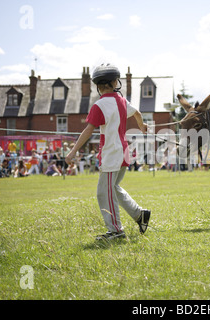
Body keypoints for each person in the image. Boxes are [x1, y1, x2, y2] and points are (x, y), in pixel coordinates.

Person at [65, 62, 151, 241]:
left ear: (98, 85)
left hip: (112, 153)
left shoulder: (100, 105)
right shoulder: (121, 100)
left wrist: (72, 152)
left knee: (104, 192)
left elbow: (88, 130)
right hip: (122, 152)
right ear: (115, 82)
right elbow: (137, 113)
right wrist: (142, 126)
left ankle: (116, 231)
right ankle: (140, 215)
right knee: (113, 188)